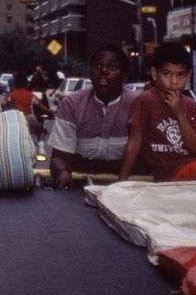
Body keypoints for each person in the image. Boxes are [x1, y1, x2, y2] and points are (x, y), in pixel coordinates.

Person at [120, 44, 196, 182]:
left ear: (188, 76)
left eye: (180, 75)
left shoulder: (190, 104)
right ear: (154, 74)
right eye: (167, 74)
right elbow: (134, 143)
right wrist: (121, 182)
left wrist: (180, 115)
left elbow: (195, 149)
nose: (174, 81)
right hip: (171, 172)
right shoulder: (144, 101)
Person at [49, 46, 136, 189]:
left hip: (126, 188)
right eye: (97, 66)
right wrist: (63, 172)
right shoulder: (72, 104)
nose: (103, 71)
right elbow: (58, 157)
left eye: (112, 67)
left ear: (124, 77)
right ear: (90, 72)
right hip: (78, 188)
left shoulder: (138, 105)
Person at [1, 72, 52, 157]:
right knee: (41, 131)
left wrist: (5, 111)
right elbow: (43, 108)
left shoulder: (11, 94)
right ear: (27, 85)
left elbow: (3, 104)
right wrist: (51, 113)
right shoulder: (30, 95)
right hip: (29, 118)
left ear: (14, 84)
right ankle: (41, 148)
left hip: (16, 119)